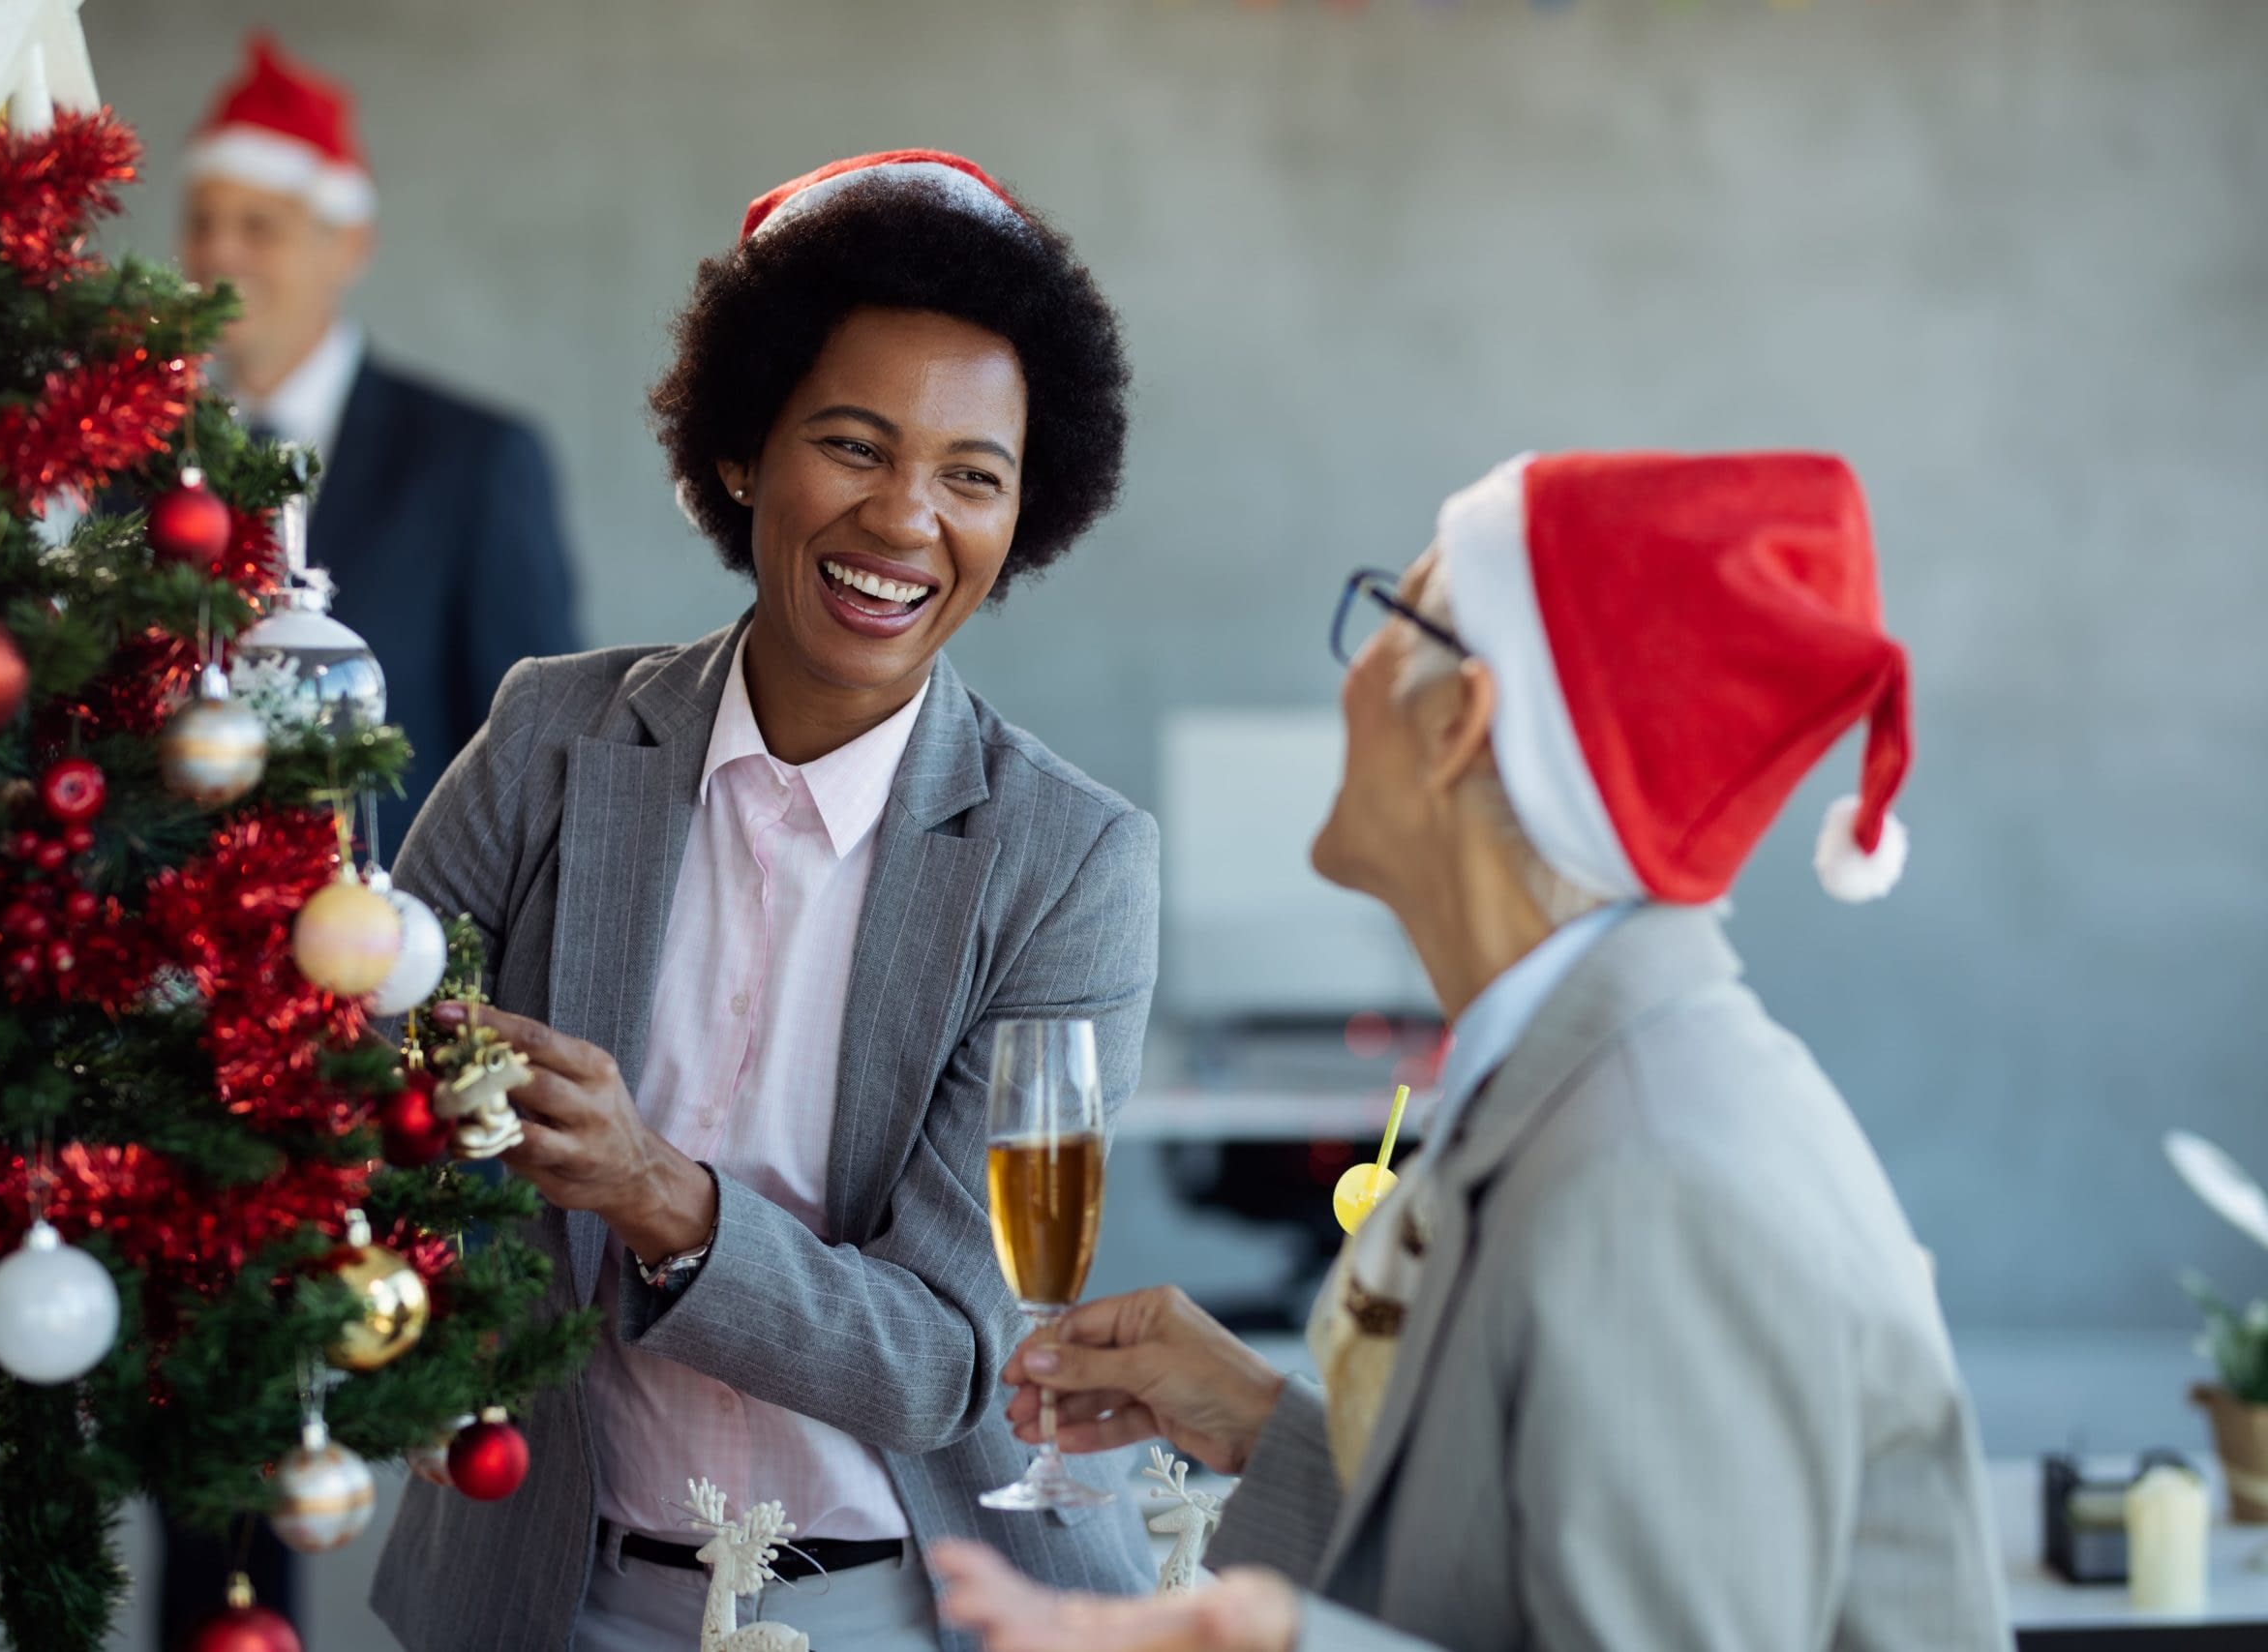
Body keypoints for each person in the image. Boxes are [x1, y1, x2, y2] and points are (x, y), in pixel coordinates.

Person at [934, 452, 2012, 1651]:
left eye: (1391, 620)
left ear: (1460, 724)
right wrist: (1258, 1425)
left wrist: (1265, 1639)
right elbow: (1526, 1578)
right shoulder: (1587, 1092)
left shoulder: (1647, 1176)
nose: (1350, 677)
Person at [371, 151, 1157, 1652]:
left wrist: (654, 1192)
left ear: (1027, 511)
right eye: (855, 445)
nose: (906, 518)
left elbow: (941, 1358)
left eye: (972, 475)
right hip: (553, 1594)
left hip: (913, 1606)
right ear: (742, 451)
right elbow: (360, 1064)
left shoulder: (1069, 860)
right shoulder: (550, 738)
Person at [178, 32, 578, 826]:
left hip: (390, 896)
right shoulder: (142, 459)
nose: (219, 251)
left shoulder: (474, 460)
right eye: (201, 223)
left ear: (350, 245)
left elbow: (536, 751)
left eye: (259, 226)